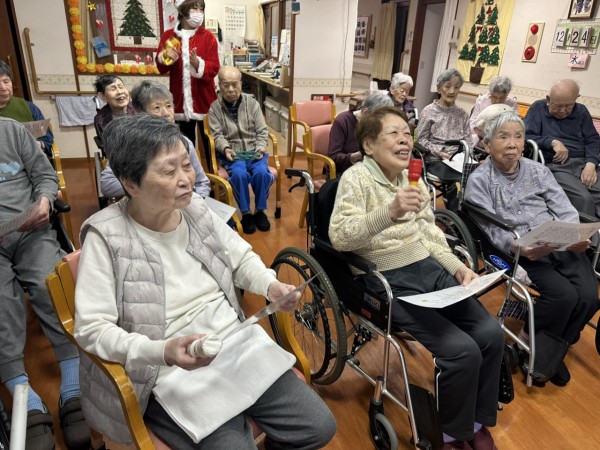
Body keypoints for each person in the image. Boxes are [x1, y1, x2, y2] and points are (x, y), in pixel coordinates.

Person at [73, 114, 336, 449]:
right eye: (169, 171)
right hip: (167, 370)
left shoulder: (196, 208)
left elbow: (239, 258)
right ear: (130, 183)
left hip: (233, 343)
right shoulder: (106, 236)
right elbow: (92, 329)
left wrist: (270, 286)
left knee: (319, 426)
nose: (187, 179)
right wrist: (162, 351)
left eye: (186, 165)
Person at [329, 107, 503, 450]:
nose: (404, 140)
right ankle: (450, 434)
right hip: (385, 277)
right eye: (393, 133)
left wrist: (455, 266)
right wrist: (390, 211)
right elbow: (341, 237)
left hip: (427, 268)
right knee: (461, 351)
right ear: (368, 145)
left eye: (407, 133)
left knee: (490, 334)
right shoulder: (356, 179)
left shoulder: (413, 177)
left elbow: (428, 232)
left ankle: (475, 422)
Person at [464, 111, 600, 384]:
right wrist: (518, 247)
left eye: (518, 136)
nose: (512, 144)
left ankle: (551, 349)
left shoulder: (539, 170)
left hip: (557, 240)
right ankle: (536, 346)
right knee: (563, 297)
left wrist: (573, 234)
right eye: (503, 137)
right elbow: (489, 229)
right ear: (487, 144)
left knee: (589, 297)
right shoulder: (479, 180)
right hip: (521, 249)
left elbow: (563, 207)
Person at [0, 117, 89, 450]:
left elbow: (45, 175)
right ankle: (25, 396)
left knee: (46, 283)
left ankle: (72, 384)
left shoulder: (10, 130)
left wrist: (45, 201)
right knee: (1, 305)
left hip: (31, 233)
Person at [100, 80, 211, 199]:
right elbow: (108, 184)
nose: (166, 113)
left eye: (169, 106)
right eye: (157, 107)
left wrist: (197, 201)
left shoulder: (184, 142)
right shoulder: (129, 143)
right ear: (140, 113)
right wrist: (152, 184)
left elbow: (202, 182)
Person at [208, 66, 274, 234]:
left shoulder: (252, 104)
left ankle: (260, 211)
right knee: (239, 175)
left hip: (254, 152)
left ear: (240, 83)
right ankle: (246, 214)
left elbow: (262, 131)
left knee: (261, 173)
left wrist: (260, 148)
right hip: (233, 155)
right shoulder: (215, 108)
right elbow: (217, 135)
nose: (230, 89)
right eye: (226, 85)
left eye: (234, 84)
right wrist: (226, 149)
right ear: (219, 85)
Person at [156, 0, 220, 170]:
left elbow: (214, 67)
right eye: (194, 8)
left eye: (201, 9)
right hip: (180, 101)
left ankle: (214, 177)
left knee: (210, 144)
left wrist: (198, 64)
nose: (199, 12)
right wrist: (166, 57)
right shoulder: (169, 36)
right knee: (185, 145)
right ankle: (189, 179)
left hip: (205, 100)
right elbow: (161, 68)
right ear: (183, 11)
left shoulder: (208, 37)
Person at [524, 79, 600, 218]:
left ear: (576, 99)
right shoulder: (538, 108)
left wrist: (591, 164)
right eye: (558, 106)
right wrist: (551, 142)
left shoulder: (581, 111)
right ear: (548, 99)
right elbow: (525, 136)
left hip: (583, 163)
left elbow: (593, 139)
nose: (563, 111)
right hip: (555, 166)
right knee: (584, 199)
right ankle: (585, 232)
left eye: (569, 106)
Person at [416, 69, 474, 211]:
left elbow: (469, 142)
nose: (452, 91)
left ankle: (471, 215)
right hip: (436, 160)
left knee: (481, 176)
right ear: (439, 88)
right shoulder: (428, 111)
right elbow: (421, 140)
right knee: (462, 179)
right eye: (447, 86)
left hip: (459, 159)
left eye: (456, 87)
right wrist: (439, 152)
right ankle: (456, 217)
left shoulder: (462, 114)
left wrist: (468, 156)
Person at [328, 90, 393, 175]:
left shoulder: (380, 124)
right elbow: (334, 156)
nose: (382, 122)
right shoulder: (343, 121)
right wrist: (358, 155)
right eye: (379, 118)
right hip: (344, 172)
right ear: (365, 112)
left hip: (370, 171)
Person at [0, 60, 54, 158]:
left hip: (30, 160)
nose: (3, 87)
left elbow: (47, 139)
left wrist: (39, 144)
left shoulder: (28, 107)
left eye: (6, 82)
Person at [469, 76, 518, 147]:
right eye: (494, 97)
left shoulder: (511, 103)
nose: (497, 101)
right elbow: (472, 124)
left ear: (506, 95)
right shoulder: (482, 100)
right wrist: (484, 134)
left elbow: (515, 125)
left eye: (501, 98)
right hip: (481, 137)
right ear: (490, 93)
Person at [93, 74, 135, 142]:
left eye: (121, 87)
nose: (120, 92)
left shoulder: (139, 109)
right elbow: (109, 145)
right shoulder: (101, 119)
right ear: (102, 96)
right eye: (113, 89)